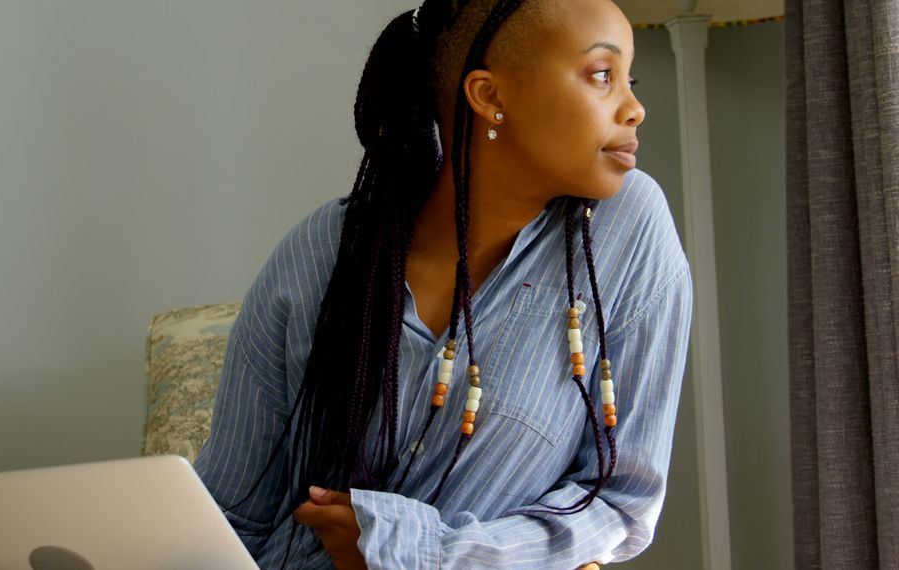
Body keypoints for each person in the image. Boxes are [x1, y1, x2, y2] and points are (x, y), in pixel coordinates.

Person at [194, 0, 693, 568]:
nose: (635, 108)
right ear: (489, 96)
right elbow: (230, 514)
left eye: (630, 79)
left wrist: (422, 552)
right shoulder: (322, 252)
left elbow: (622, 503)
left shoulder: (628, 229)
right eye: (603, 75)